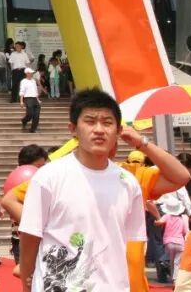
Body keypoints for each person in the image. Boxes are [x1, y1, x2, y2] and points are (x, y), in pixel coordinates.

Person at [18, 88, 146, 291]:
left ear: (118, 131)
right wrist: (28, 285)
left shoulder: (128, 183)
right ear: (73, 129)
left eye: (107, 122)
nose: (99, 129)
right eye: (90, 121)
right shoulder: (48, 177)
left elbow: (134, 244)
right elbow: (29, 237)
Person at [18, 67, 41, 133]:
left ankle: (33, 129)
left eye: (32, 73)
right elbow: (22, 91)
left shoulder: (33, 81)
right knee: (30, 114)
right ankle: (24, 120)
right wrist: (21, 101)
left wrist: (38, 99)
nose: (32, 74)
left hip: (35, 99)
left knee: (36, 115)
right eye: (30, 73)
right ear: (27, 73)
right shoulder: (23, 81)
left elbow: (35, 91)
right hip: (28, 99)